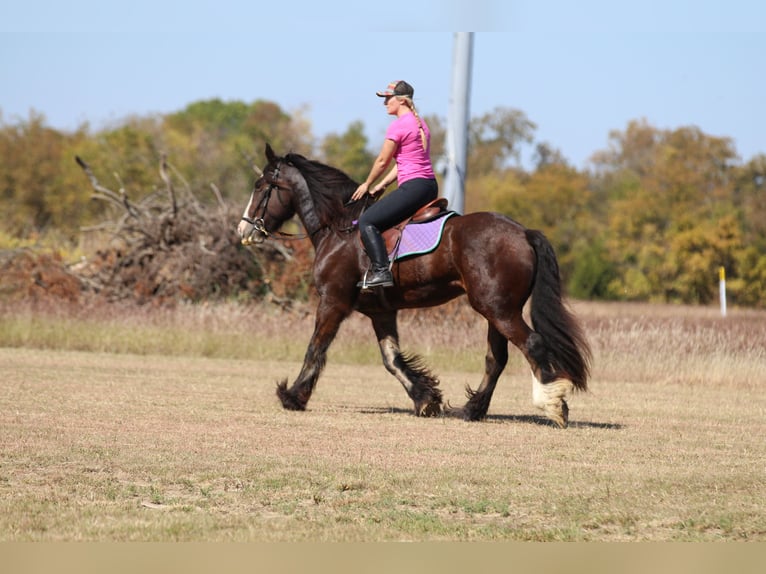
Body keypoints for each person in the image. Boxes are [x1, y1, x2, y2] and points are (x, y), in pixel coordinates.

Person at [351, 80, 439, 289]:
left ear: (400, 100)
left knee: (367, 222)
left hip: (414, 187)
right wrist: (383, 185)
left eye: (387, 99)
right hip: (428, 185)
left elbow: (382, 160)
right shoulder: (420, 124)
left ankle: (381, 271)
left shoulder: (399, 125)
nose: (385, 104)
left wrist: (367, 183)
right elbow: (402, 164)